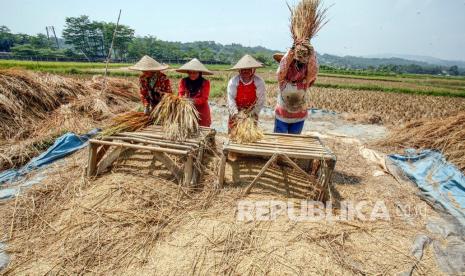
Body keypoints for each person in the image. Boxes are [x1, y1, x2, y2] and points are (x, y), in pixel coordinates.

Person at [273, 41, 318, 134]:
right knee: (279, 140)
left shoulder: (306, 80)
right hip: (282, 115)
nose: (295, 68)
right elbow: (283, 68)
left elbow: (313, 70)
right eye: (292, 64)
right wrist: (292, 51)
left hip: (299, 116)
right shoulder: (282, 79)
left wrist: (312, 52)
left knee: (294, 141)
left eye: (299, 64)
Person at [227, 54, 266, 132]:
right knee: (233, 135)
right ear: (239, 70)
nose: (245, 71)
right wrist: (236, 114)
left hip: (252, 112)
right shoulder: (233, 81)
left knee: (250, 135)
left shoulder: (259, 82)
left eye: (248, 69)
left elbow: (260, 101)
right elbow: (230, 98)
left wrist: (252, 113)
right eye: (243, 69)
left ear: (253, 70)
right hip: (236, 112)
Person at [176, 58, 213, 127]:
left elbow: (204, 98)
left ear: (200, 73)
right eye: (190, 72)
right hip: (187, 109)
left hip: (201, 110)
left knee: (202, 129)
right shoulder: (183, 81)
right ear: (188, 72)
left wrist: (192, 101)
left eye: (195, 72)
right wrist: (183, 99)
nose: (192, 74)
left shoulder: (205, 82)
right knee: (187, 127)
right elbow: (181, 94)